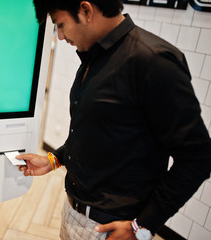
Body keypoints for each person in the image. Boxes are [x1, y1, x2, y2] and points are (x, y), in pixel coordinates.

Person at [16, 1, 211, 240]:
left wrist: (142, 227)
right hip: (72, 212)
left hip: (114, 229)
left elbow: (197, 158)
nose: (61, 35)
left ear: (86, 10)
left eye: (60, 25)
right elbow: (94, 132)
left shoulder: (154, 61)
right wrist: (53, 160)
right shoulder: (93, 55)